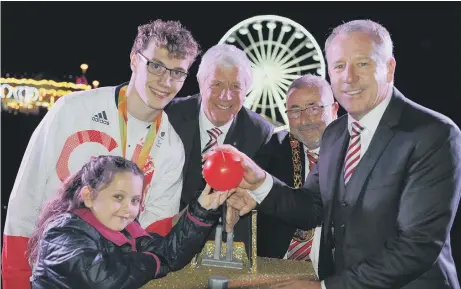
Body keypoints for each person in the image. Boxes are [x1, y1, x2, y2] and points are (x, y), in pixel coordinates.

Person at [216, 19, 461, 289]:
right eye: (339, 66)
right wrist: (261, 183)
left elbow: (417, 245)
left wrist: (324, 288)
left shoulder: (433, 133)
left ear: (389, 69)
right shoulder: (335, 135)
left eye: (362, 64)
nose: (349, 77)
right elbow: (311, 208)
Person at [2, 19, 200, 289]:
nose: (165, 81)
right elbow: (25, 200)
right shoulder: (71, 110)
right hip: (50, 278)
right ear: (134, 60)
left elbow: (154, 234)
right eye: (155, 66)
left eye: (177, 72)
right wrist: (15, 280)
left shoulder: (172, 148)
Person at [28, 155, 230, 289]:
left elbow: (171, 253)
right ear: (88, 196)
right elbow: (101, 278)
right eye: (118, 197)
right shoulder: (63, 231)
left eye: (135, 200)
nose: (128, 208)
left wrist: (202, 210)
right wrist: (155, 261)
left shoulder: (128, 230)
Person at [165, 44, 274, 249]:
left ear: (247, 90)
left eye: (235, 86)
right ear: (200, 82)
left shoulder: (260, 133)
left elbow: (258, 195)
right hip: (165, 235)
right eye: (216, 84)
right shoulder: (169, 116)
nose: (226, 96)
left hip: (223, 243)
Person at [256, 74, 338, 277]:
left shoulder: (355, 153)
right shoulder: (274, 148)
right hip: (272, 273)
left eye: (313, 108)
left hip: (332, 277)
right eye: (294, 111)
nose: (304, 120)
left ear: (334, 109)